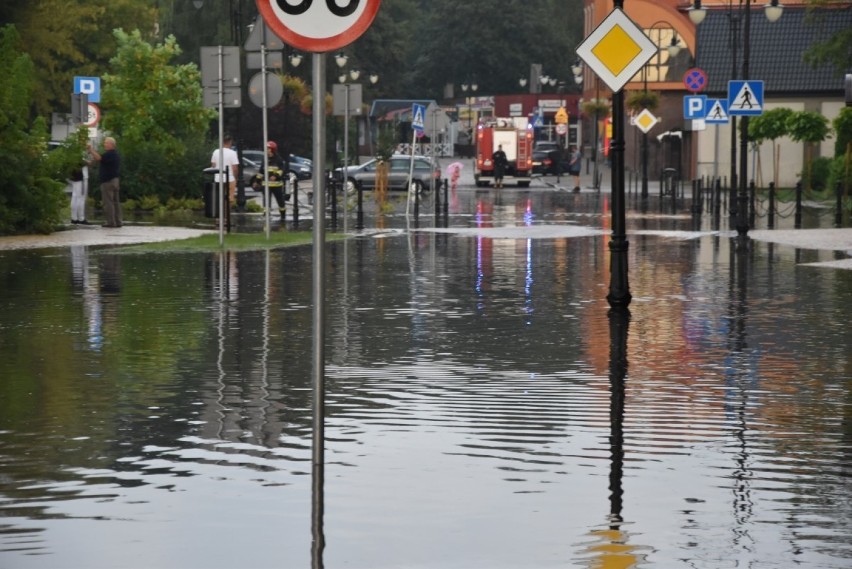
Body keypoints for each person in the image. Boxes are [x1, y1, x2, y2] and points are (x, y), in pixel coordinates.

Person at [88, 137, 122, 227]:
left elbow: (99, 158)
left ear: (111, 144)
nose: (104, 144)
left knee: (108, 202)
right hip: (115, 180)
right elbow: (101, 159)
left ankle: (110, 222)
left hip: (108, 181)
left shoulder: (109, 154)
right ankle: (118, 221)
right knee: (115, 202)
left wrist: (91, 150)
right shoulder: (116, 154)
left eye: (106, 143)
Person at [251, 141, 289, 219]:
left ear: (272, 149)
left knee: (280, 201)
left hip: (277, 185)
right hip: (266, 185)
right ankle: (266, 217)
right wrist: (257, 181)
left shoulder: (278, 159)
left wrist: (276, 176)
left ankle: (283, 216)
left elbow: (282, 170)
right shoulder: (265, 159)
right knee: (266, 202)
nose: (266, 150)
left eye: (268, 148)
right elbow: (261, 172)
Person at [210, 135, 239, 207]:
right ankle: (226, 215)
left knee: (219, 198)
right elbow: (235, 168)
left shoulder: (216, 152)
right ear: (230, 142)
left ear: (222, 142)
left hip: (218, 179)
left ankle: (219, 216)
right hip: (230, 178)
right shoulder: (233, 153)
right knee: (229, 199)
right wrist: (236, 178)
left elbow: (213, 165)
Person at [68, 158, 89, 225]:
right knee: (81, 198)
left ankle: (74, 218)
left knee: (74, 198)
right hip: (81, 178)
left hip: (74, 178)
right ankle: (81, 218)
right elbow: (86, 162)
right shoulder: (78, 154)